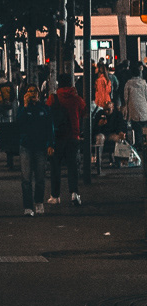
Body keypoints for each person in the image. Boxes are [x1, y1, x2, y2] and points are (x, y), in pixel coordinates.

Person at [47, 72, 86, 206]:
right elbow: (84, 112)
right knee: (72, 166)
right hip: (73, 136)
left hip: (57, 137)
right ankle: (74, 193)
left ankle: (55, 195)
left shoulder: (54, 98)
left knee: (55, 167)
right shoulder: (76, 99)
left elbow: (48, 113)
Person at [16, 85, 52, 215]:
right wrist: (25, 106)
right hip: (26, 146)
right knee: (26, 178)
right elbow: (19, 122)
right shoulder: (23, 108)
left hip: (41, 146)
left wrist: (50, 144)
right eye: (29, 92)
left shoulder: (44, 108)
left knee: (40, 176)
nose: (32, 94)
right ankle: (28, 206)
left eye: (34, 91)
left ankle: (39, 202)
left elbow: (49, 127)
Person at [121, 63, 147, 148]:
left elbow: (126, 97)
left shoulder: (128, 83)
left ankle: (138, 144)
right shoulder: (144, 83)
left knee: (136, 127)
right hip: (143, 107)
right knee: (144, 126)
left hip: (133, 108)